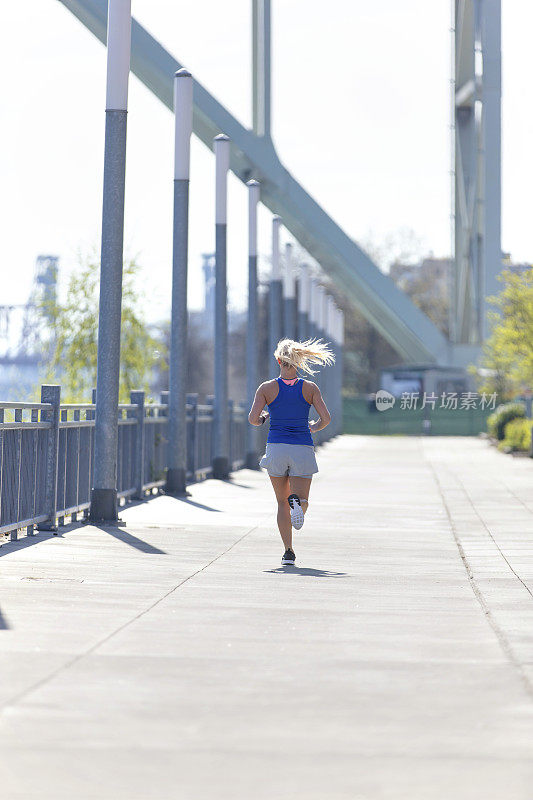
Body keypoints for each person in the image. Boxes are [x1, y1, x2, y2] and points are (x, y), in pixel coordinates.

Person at [248, 338, 335, 566]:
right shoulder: (310, 388)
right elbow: (326, 419)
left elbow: (252, 419)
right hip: (302, 448)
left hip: (276, 448)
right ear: (299, 361)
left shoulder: (266, 388)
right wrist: (313, 427)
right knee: (301, 500)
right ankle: (298, 505)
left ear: (278, 360)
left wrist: (264, 418)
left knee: (280, 502)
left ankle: (288, 552)